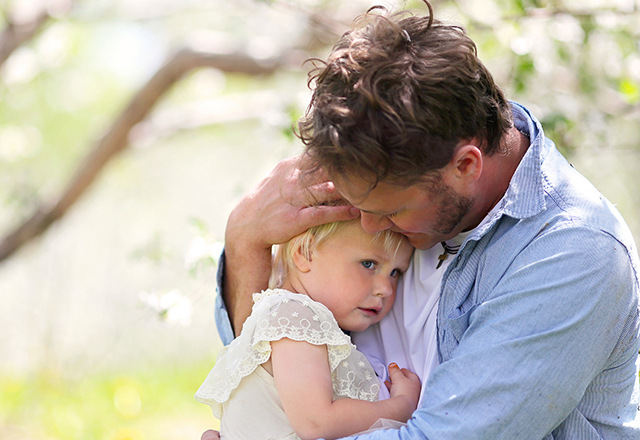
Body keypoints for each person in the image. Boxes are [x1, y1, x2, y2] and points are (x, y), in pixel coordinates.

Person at [206, 1, 640, 439]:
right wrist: (247, 240)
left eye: (391, 211)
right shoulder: (387, 170)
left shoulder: (574, 253)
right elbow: (263, 363)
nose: (370, 226)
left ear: (466, 166)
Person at [196, 219, 420, 440]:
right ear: (305, 253)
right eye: (368, 264)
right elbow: (316, 423)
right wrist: (401, 407)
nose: (386, 289)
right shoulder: (294, 316)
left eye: (395, 272)